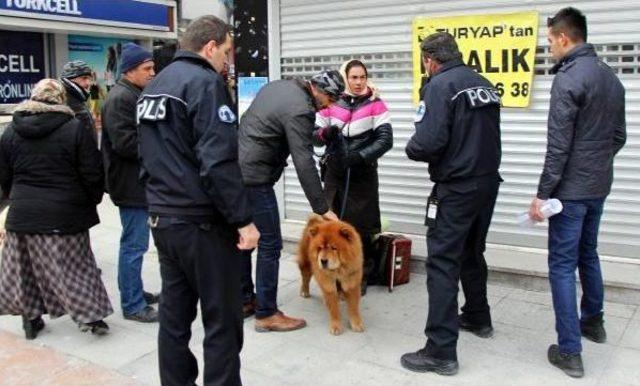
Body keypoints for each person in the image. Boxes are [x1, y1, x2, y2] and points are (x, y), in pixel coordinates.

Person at [137, 15, 260, 386]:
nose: (227, 61)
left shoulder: (153, 86)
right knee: (223, 320)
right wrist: (243, 220)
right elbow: (218, 162)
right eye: (225, 52)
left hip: (164, 220)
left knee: (173, 320)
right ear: (210, 47)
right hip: (202, 226)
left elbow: (145, 157)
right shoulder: (205, 83)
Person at [528, 8, 626, 379]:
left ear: (563, 38)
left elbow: (558, 147)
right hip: (598, 185)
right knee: (588, 253)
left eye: (550, 40)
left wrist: (542, 196)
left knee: (561, 265)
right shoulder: (610, 77)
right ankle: (593, 322)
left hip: (569, 192)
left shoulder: (568, 79)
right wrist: (595, 165)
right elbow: (619, 137)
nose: (549, 47)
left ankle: (569, 350)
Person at [401, 32, 502, 376]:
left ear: (430, 60)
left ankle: (440, 351)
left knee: (443, 263)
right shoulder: (482, 82)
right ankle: (477, 316)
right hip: (487, 183)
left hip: (457, 187)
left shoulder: (441, 85)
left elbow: (427, 143)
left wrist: (411, 147)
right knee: (472, 251)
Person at [0, 79, 112, 339]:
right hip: (64, 215)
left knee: (26, 270)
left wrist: (15, 199)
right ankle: (91, 318)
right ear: (60, 99)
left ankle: (31, 320)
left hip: (22, 214)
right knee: (76, 268)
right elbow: (91, 172)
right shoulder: (73, 128)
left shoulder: (11, 131)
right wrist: (91, 200)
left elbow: (4, 177)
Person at [238, 69, 344, 331]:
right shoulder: (301, 109)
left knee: (245, 239)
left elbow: (267, 125)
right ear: (317, 89)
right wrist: (322, 208)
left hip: (236, 172)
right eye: (330, 97)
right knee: (270, 243)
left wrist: (319, 136)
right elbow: (303, 162)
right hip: (256, 177)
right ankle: (266, 313)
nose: (329, 104)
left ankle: (244, 300)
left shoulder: (279, 87)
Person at [313, 59, 393, 295]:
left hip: (363, 173)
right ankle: (334, 275)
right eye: (354, 77)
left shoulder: (376, 104)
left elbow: (385, 140)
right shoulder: (331, 101)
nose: (358, 82)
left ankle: (361, 276)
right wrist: (325, 133)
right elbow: (314, 136)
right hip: (335, 174)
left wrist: (360, 156)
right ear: (345, 78)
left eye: (362, 77)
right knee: (332, 225)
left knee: (363, 229)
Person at [101, 43, 159, 323]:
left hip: (136, 183)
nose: (152, 72)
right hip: (129, 184)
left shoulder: (133, 93)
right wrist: (160, 146)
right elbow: (125, 144)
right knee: (134, 245)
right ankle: (133, 304)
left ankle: (133, 291)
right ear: (130, 70)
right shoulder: (121, 98)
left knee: (135, 243)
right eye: (147, 68)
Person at [60, 60, 97, 143]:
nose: (88, 83)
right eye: (84, 78)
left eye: (89, 78)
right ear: (70, 79)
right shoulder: (68, 102)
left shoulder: (77, 98)